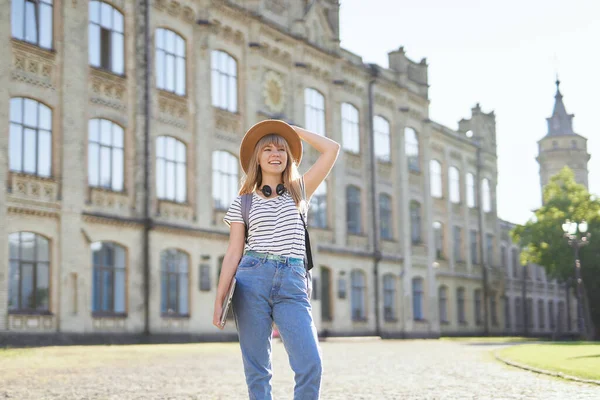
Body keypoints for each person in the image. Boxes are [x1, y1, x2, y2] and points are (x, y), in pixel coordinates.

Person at [213, 119, 340, 400]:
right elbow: (233, 253)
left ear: (289, 157)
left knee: (311, 365)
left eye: (282, 149)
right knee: (257, 370)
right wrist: (220, 300)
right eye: (268, 148)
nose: (275, 154)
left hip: (291, 284)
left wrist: (292, 131)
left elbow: (332, 149)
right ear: (257, 157)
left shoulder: (300, 191)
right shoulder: (243, 202)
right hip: (251, 281)